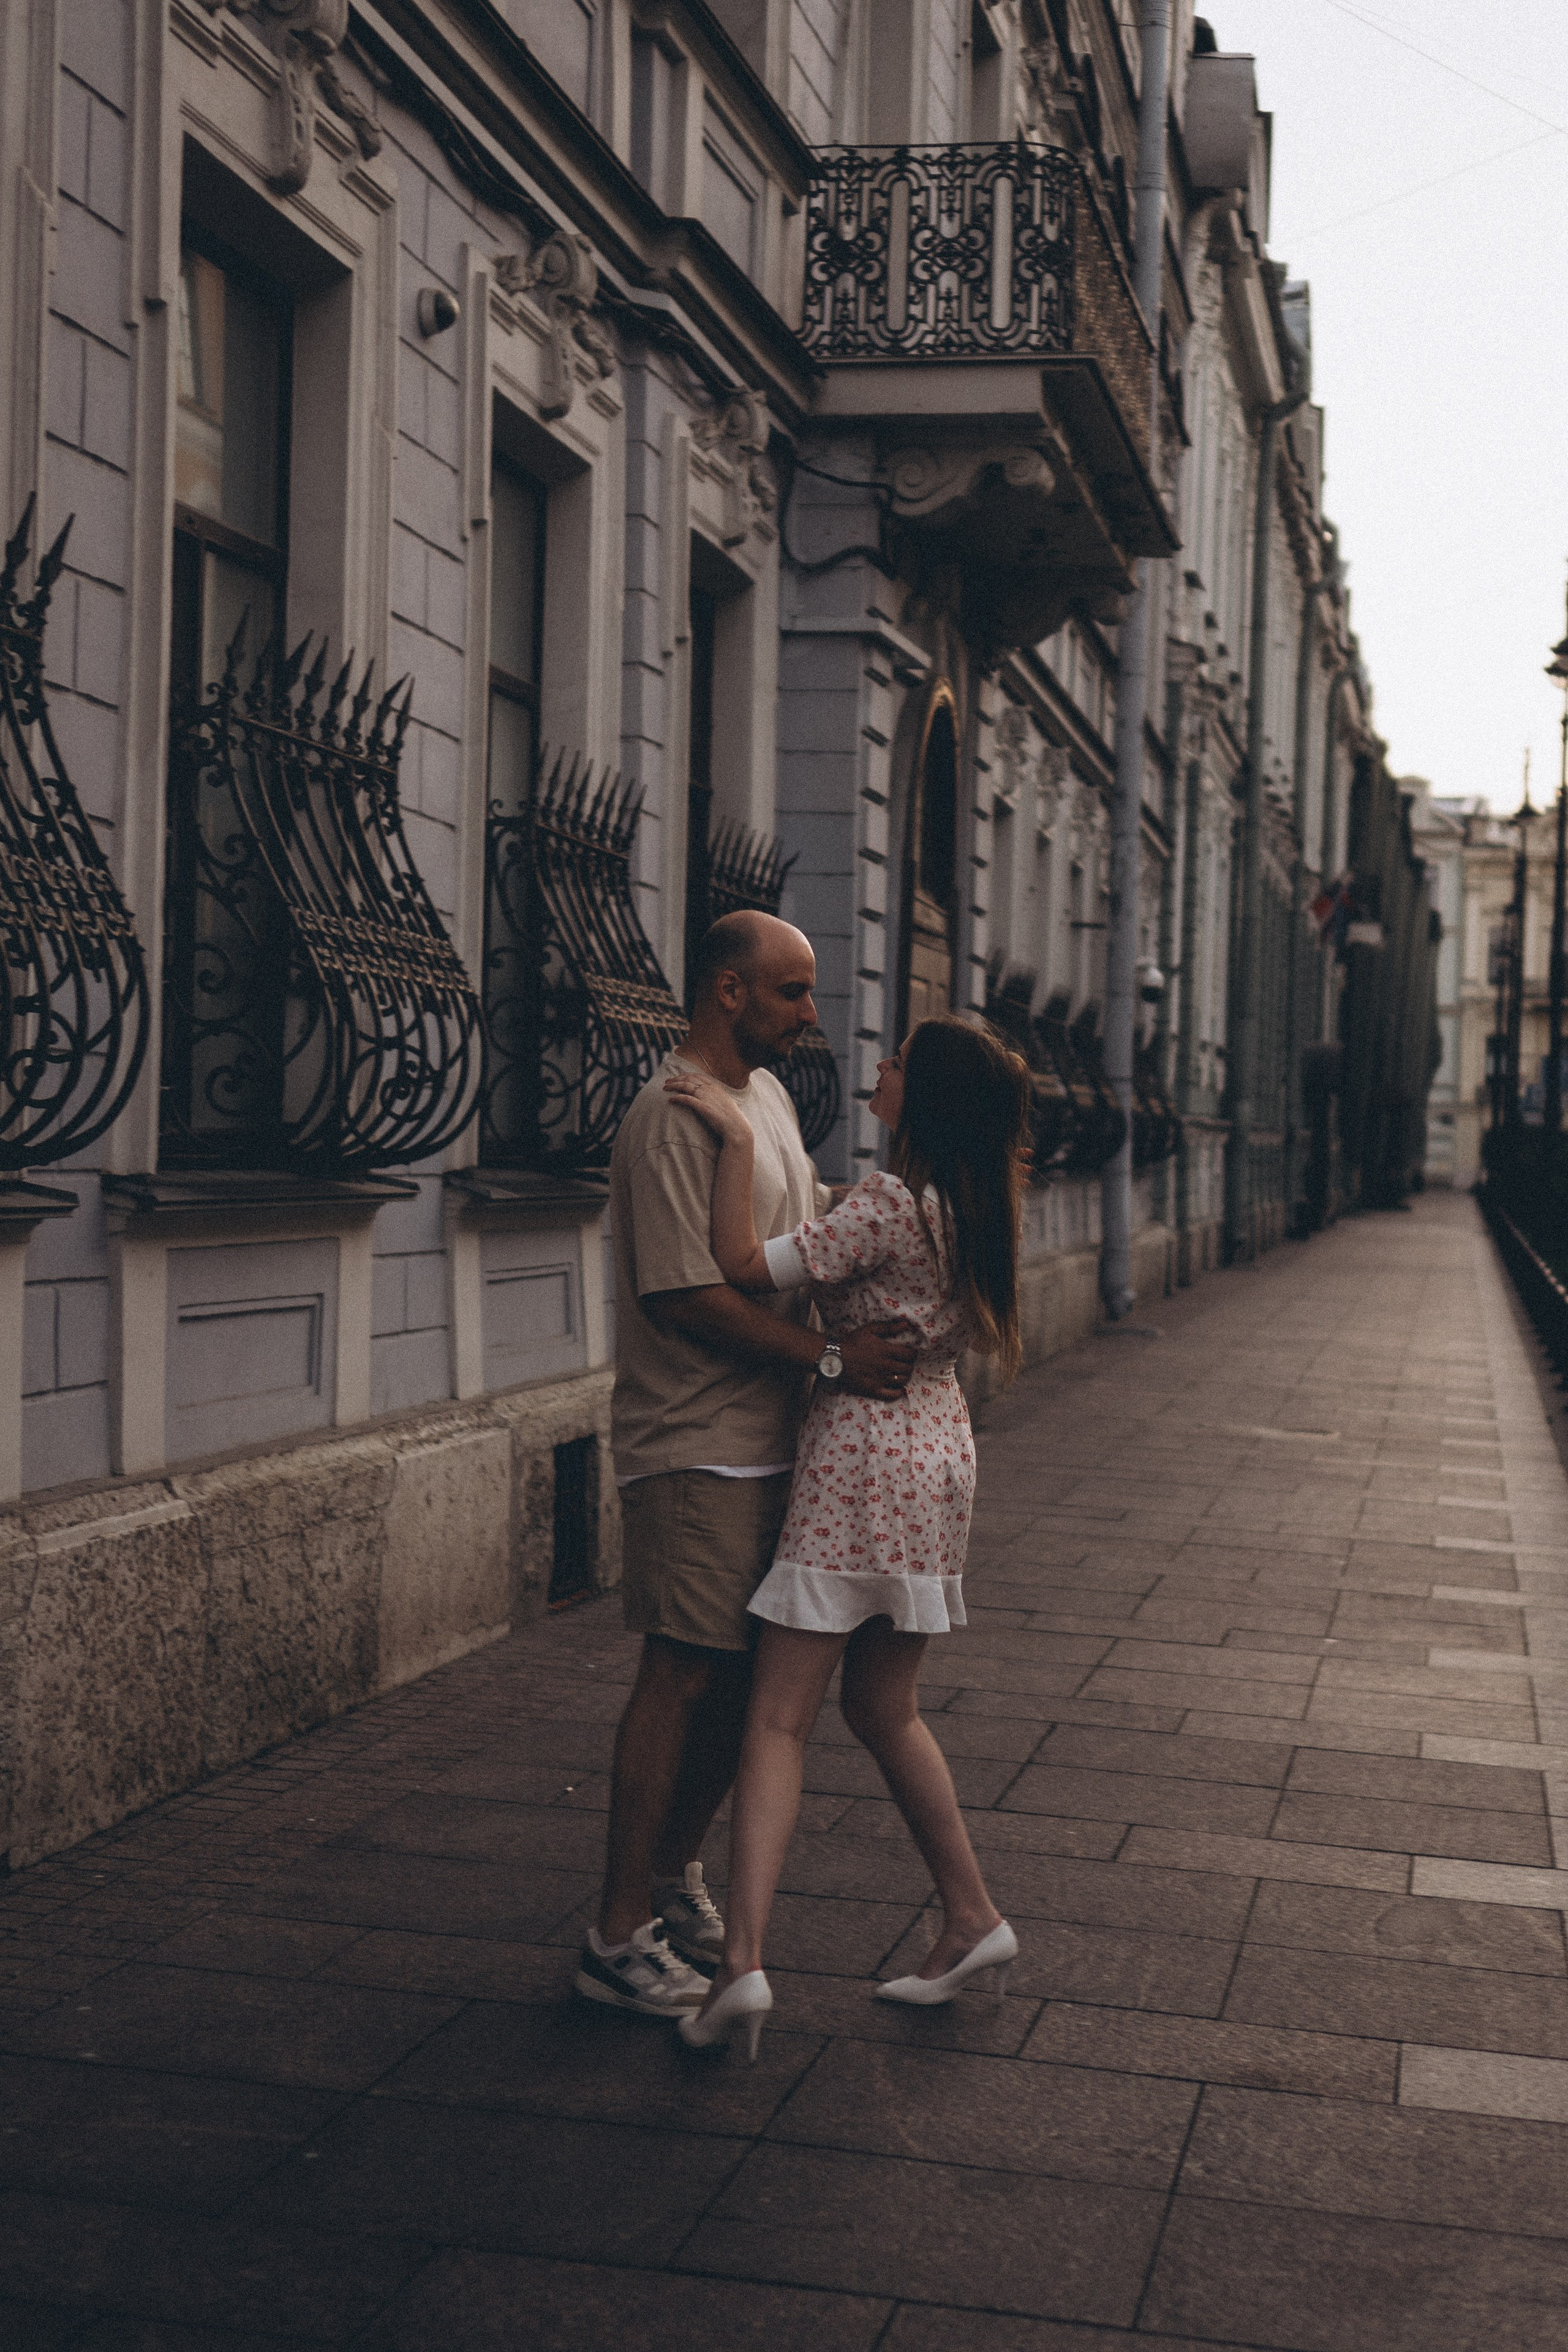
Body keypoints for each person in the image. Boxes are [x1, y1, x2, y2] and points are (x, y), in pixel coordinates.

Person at [663, 1013, 1030, 2060]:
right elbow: (838, 1232)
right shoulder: (970, 1204)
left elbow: (738, 1262)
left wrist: (736, 1140)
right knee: (882, 1704)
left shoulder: (887, 1205)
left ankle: (740, 1966)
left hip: (862, 1461)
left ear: (928, 1095)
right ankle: (970, 1917)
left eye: (900, 1061)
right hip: (936, 1456)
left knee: (777, 1721)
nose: (881, 1067)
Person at [577, 910, 921, 2018]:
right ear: (729, 991)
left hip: (771, 1445)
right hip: (696, 1448)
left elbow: (804, 1223)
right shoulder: (675, 1116)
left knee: (749, 1688)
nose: (812, 1014)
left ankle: (672, 1873)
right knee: (680, 1678)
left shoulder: (762, 1100)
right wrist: (829, 1358)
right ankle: (614, 1937)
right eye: (793, 993)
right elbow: (686, 1296)